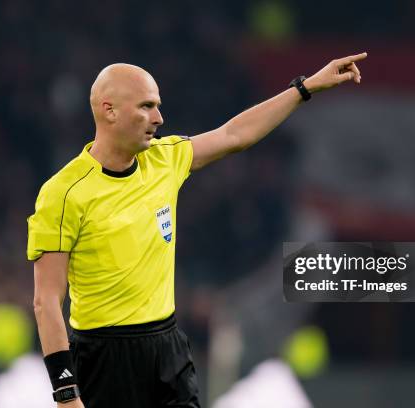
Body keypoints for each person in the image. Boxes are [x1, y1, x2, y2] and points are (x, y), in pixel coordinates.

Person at [28, 52, 367, 408]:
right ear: (109, 110)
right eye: (146, 106)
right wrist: (66, 394)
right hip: (103, 358)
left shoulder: (165, 158)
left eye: (158, 106)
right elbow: (46, 300)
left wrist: (305, 87)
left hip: (167, 348)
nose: (159, 118)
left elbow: (235, 134)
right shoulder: (63, 192)